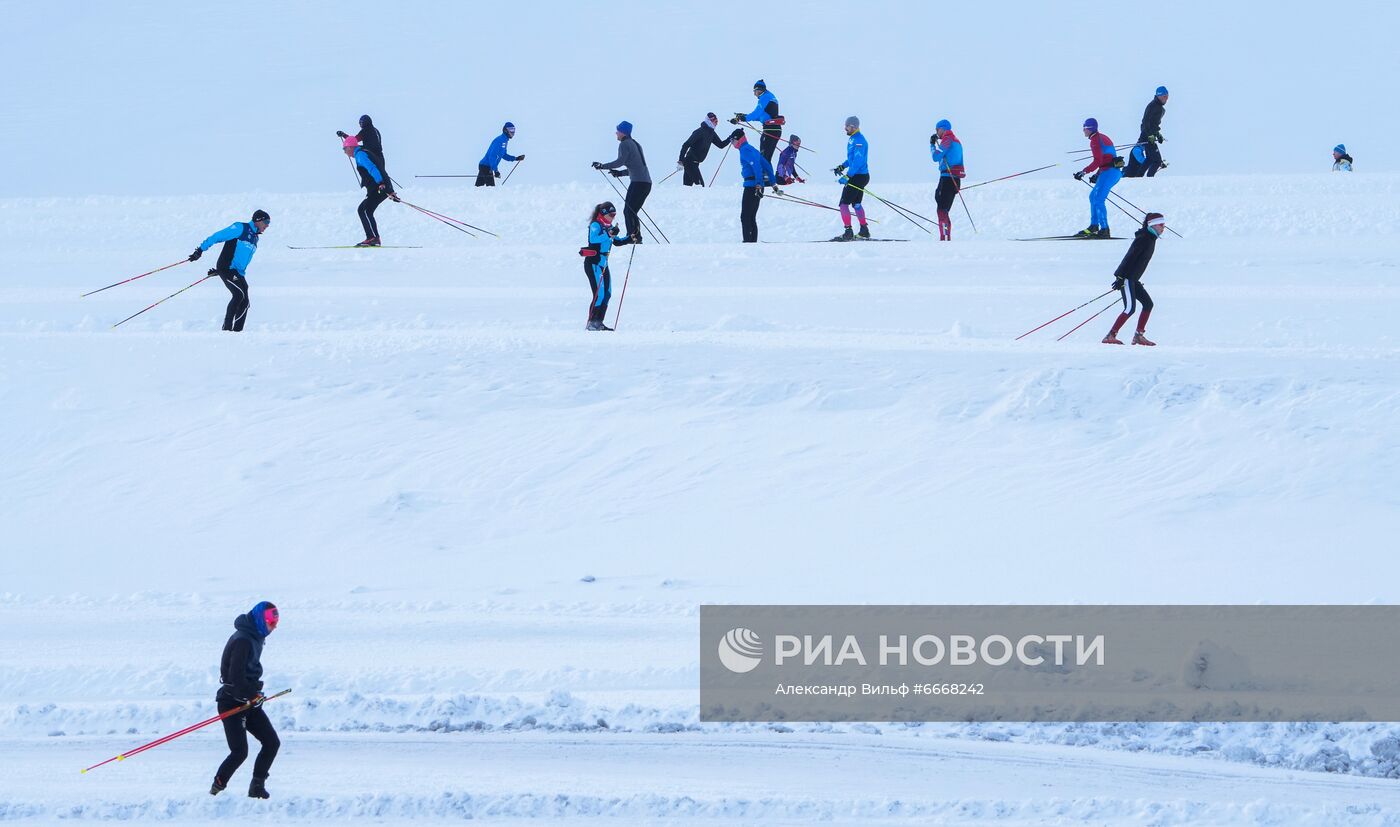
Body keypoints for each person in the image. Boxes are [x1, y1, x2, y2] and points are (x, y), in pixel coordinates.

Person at [211, 601, 281, 799]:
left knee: (271, 743)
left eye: (276, 623)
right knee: (240, 752)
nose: (273, 627)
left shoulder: (255, 636)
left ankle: (257, 787)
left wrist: (254, 694)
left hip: (247, 701)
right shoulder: (243, 640)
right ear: (259, 619)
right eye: (270, 622)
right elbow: (235, 677)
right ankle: (215, 790)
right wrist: (252, 695)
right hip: (231, 702)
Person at [187, 210, 270, 332]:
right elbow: (217, 236)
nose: (267, 225)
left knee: (245, 302)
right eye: (266, 222)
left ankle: (237, 332)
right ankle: (226, 330)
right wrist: (200, 250)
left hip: (238, 272)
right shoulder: (241, 228)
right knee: (239, 295)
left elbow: (240, 256)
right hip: (228, 268)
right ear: (258, 220)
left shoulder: (255, 238)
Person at [1102, 213, 1167, 346]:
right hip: (1126, 278)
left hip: (1133, 279)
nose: (1163, 227)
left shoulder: (1150, 238)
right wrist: (1120, 277)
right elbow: (1129, 258)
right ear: (1152, 225)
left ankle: (1139, 336)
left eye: (1164, 225)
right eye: (1161, 224)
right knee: (1130, 308)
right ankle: (1110, 336)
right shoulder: (1143, 238)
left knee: (1148, 304)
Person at [593, 121, 652, 243]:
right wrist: (620, 173)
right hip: (646, 183)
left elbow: (620, 162)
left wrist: (602, 166)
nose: (616, 133)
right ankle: (636, 237)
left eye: (618, 131)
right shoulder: (635, 144)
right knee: (632, 211)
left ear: (623, 132)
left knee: (628, 211)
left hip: (638, 183)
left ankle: (632, 237)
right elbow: (637, 167)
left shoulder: (624, 144)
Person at [579, 201, 633, 331]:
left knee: (607, 293)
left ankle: (599, 323)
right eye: (611, 214)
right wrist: (609, 234)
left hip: (604, 264)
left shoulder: (609, 226)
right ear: (603, 213)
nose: (613, 217)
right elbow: (593, 239)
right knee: (599, 294)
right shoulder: (596, 225)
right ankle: (591, 323)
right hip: (593, 263)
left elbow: (617, 242)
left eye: (614, 215)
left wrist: (630, 238)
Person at [343, 135, 398, 246]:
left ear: (350, 147)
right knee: (365, 210)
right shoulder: (364, 152)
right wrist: (389, 189)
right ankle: (374, 238)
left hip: (378, 187)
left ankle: (372, 238)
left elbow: (373, 168)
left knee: (364, 210)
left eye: (344, 149)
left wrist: (381, 183)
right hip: (380, 187)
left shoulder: (360, 155)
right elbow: (381, 170)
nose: (345, 152)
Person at [1073, 118, 1123, 238]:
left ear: (1090, 129)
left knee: (1099, 199)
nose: (1083, 130)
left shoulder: (1095, 140)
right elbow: (1106, 159)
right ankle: (1094, 226)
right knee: (1093, 196)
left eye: (1085, 128)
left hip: (1109, 172)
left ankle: (1104, 229)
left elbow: (1098, 161)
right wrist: (1097, 174)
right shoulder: (1102, 137)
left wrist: (1083, 172)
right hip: (1111, 172)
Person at [733, 129, 776, 243]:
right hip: (756, 185)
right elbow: (766, 165)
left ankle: (748, 242)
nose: (732, 143)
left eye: (732, 140)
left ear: (738, 139)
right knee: (751, 217)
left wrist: (759, 184)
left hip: (752, 186)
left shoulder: (745, 150)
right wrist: (773, 183)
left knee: (745, 217)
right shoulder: (751, 148)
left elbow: (756, 165)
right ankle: (752, 243)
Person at [832, 116, 870, 241]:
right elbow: (852, 159)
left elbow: (858, 161)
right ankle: (864, 231)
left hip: (857, 176)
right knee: (856, 204)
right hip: (860, 176)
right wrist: (842, 166)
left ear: (853, 126)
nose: (845, 128)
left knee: (843, 205)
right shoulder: (853, 139)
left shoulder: (859, 141)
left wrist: (848, 176)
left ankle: (848, 232)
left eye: (847, 126)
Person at [929, 119, 965, 241]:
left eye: (937, 129)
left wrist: (932, 145)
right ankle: (946, 236)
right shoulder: (956, 141)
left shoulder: (948, 139)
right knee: (943, 208)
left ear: (943, 129)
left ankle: (944, 238)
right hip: (954, 179)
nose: (936, 132)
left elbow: (935, 157)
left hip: (947, 178)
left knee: (941, 210)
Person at [731, 79, 783, 163]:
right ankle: (766, 171)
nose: (754, 94)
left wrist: (742, 118)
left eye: (754, 91)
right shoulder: (769, 96)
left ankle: (764, 171)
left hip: (770, 130)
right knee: (766, 158)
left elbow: (756, 113)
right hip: (774, 129)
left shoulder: (765, 97)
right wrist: (744, 116)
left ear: (759, 90)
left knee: (764, 158)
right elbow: (760, 117)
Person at [1123, 87, 1168, 178]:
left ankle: (1139, 177)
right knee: (1156, 160)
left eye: (1167, 97)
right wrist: (1150, 134)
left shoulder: (1159, 108)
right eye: (1164, 96)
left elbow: (1153, 125)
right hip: (1147, 135)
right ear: (1159, 95)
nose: (1166, 99)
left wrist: (1158, 134)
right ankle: (1149, 179)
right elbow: (1145, 122)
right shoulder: (1153, 106)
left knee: (1150, 159)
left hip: (1148, 135)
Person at [677, 113, 731, 186]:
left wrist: (731, 137)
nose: (716, 123)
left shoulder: (711, 133)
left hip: (695, 164)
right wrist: (680, 161)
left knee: (688, 187)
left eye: (717, 121)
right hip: (690, 162)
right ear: (709, 121)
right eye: (714, 121)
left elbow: (721, 145)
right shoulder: (699, 132)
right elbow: (686, 145)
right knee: (700, 187)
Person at [337, 115, 390, 185]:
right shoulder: (376, 130)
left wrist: (343, 135)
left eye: (360, 123)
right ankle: (387, 188)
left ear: (364, 123)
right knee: (382, 174)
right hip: (380, 156)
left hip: (371, 156)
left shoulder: (365, 131)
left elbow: (354, 140)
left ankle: (375, 189)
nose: (360, 125)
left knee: (369, 177)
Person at [477, 122, 524, 186]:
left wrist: (515, 158)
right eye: (511, 129)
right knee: (491, 188)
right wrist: (496, 170)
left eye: (513, 129)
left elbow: (503, 155)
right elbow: (492, 156)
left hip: (485, 166)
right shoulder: (499, 140)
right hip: (486, 166)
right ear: (505, 130)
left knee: (478, 187)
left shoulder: (505, 141)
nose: (513, 132)